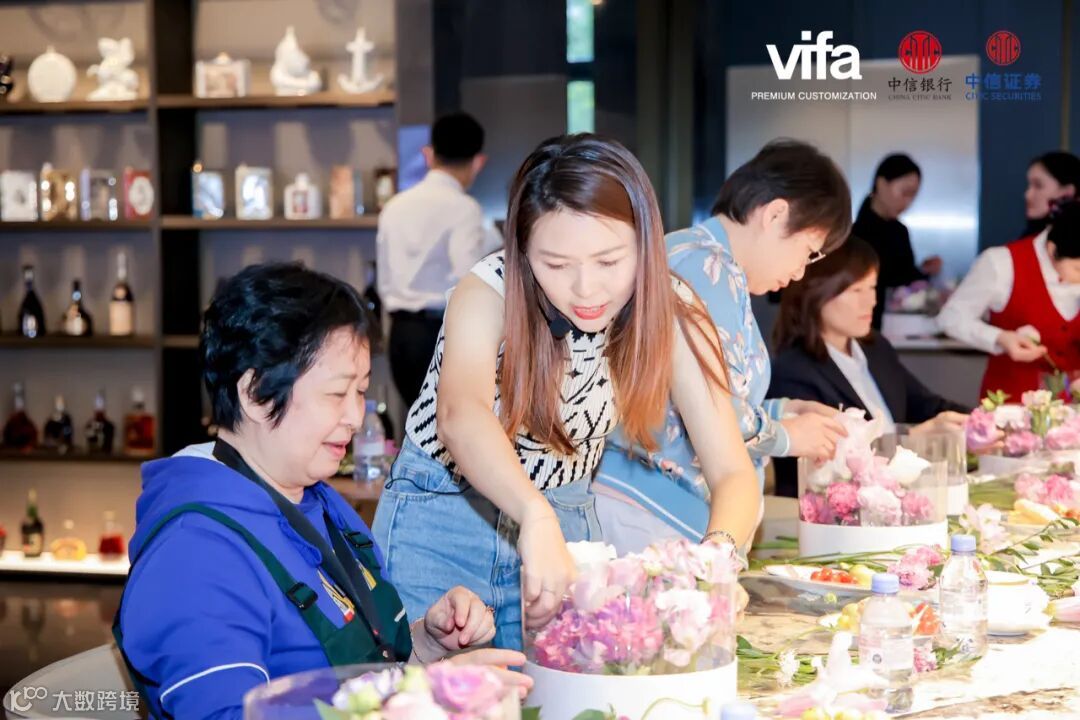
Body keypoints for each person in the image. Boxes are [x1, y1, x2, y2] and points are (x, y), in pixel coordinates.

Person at [373, 134, 760, 651]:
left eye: (609, 261)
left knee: (564, 689)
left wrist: (716, 560)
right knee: (431, 686)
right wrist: (534, 515)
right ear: (522, 251)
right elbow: (461, 415)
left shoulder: (672, 307)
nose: (586, 289)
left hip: (567, 521)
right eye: (556, 265)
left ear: (645, 243)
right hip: (442, 517)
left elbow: (733, 471)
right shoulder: (489, 289)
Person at [114, 264, 528, 719]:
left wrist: (426, 648)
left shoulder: (319, 501)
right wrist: (423, 696)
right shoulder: (194, 552)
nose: (355, 416)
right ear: (255, 394)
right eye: (336, 394)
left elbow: (363, 674)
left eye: (361, 392)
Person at [594, 139, 852, 553]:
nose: (800, 272)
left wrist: (780, 411)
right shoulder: (707, 266)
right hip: (650, 512)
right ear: (775, 214)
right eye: (807, 252)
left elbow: (696, 398)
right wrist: (787, 436)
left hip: (647, 507)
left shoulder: (696, 256)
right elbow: (718, 414)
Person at [768, 237, 968, 496]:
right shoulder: (793, 371)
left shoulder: (875, 348)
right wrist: (910, 440)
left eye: (872, 287)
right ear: (816, 292)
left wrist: (989, 419)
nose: (871, 301)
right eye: (856, 291)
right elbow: (829, 466)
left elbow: (927, 405)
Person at [377, 111, 501, 410]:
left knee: (414, 422)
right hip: (441, 334)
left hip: (400, 334)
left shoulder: (394, 206)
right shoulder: (464, 208)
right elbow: (467, 278)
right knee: (448, 426)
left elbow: (385, 277)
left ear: (429, 154)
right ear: (478, 161)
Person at [937, 200, 1080, 400]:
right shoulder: (1001, 263)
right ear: (1051, 249)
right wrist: (1000, 338)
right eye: (1077, 269)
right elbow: (951, 318)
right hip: (1010, 405)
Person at [851, 153, 942, 330]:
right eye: (905, 192)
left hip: (896, 326)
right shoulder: (856, 233)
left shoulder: (900, 231)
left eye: (913, 195)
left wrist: (924, 271)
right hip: (863, 323)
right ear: (881, 184)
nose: (908, 202)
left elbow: (904, 279)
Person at [1019, 151, 1080, 237]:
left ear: (1068, 192)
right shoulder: (1028, 238)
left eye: (1038, 185)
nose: (1027, 195)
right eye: (1029, 186)